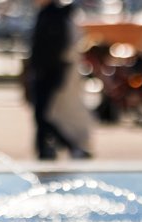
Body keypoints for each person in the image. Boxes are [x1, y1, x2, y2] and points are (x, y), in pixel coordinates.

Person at [29, 0, 91, 160]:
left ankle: (69, 146)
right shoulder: (50, 14)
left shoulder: (54, 15)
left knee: (44, 114)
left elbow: (55, 47)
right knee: (43, 114)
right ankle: (45, 149)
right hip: (48, 71)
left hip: (50, 73)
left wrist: (42, 67)